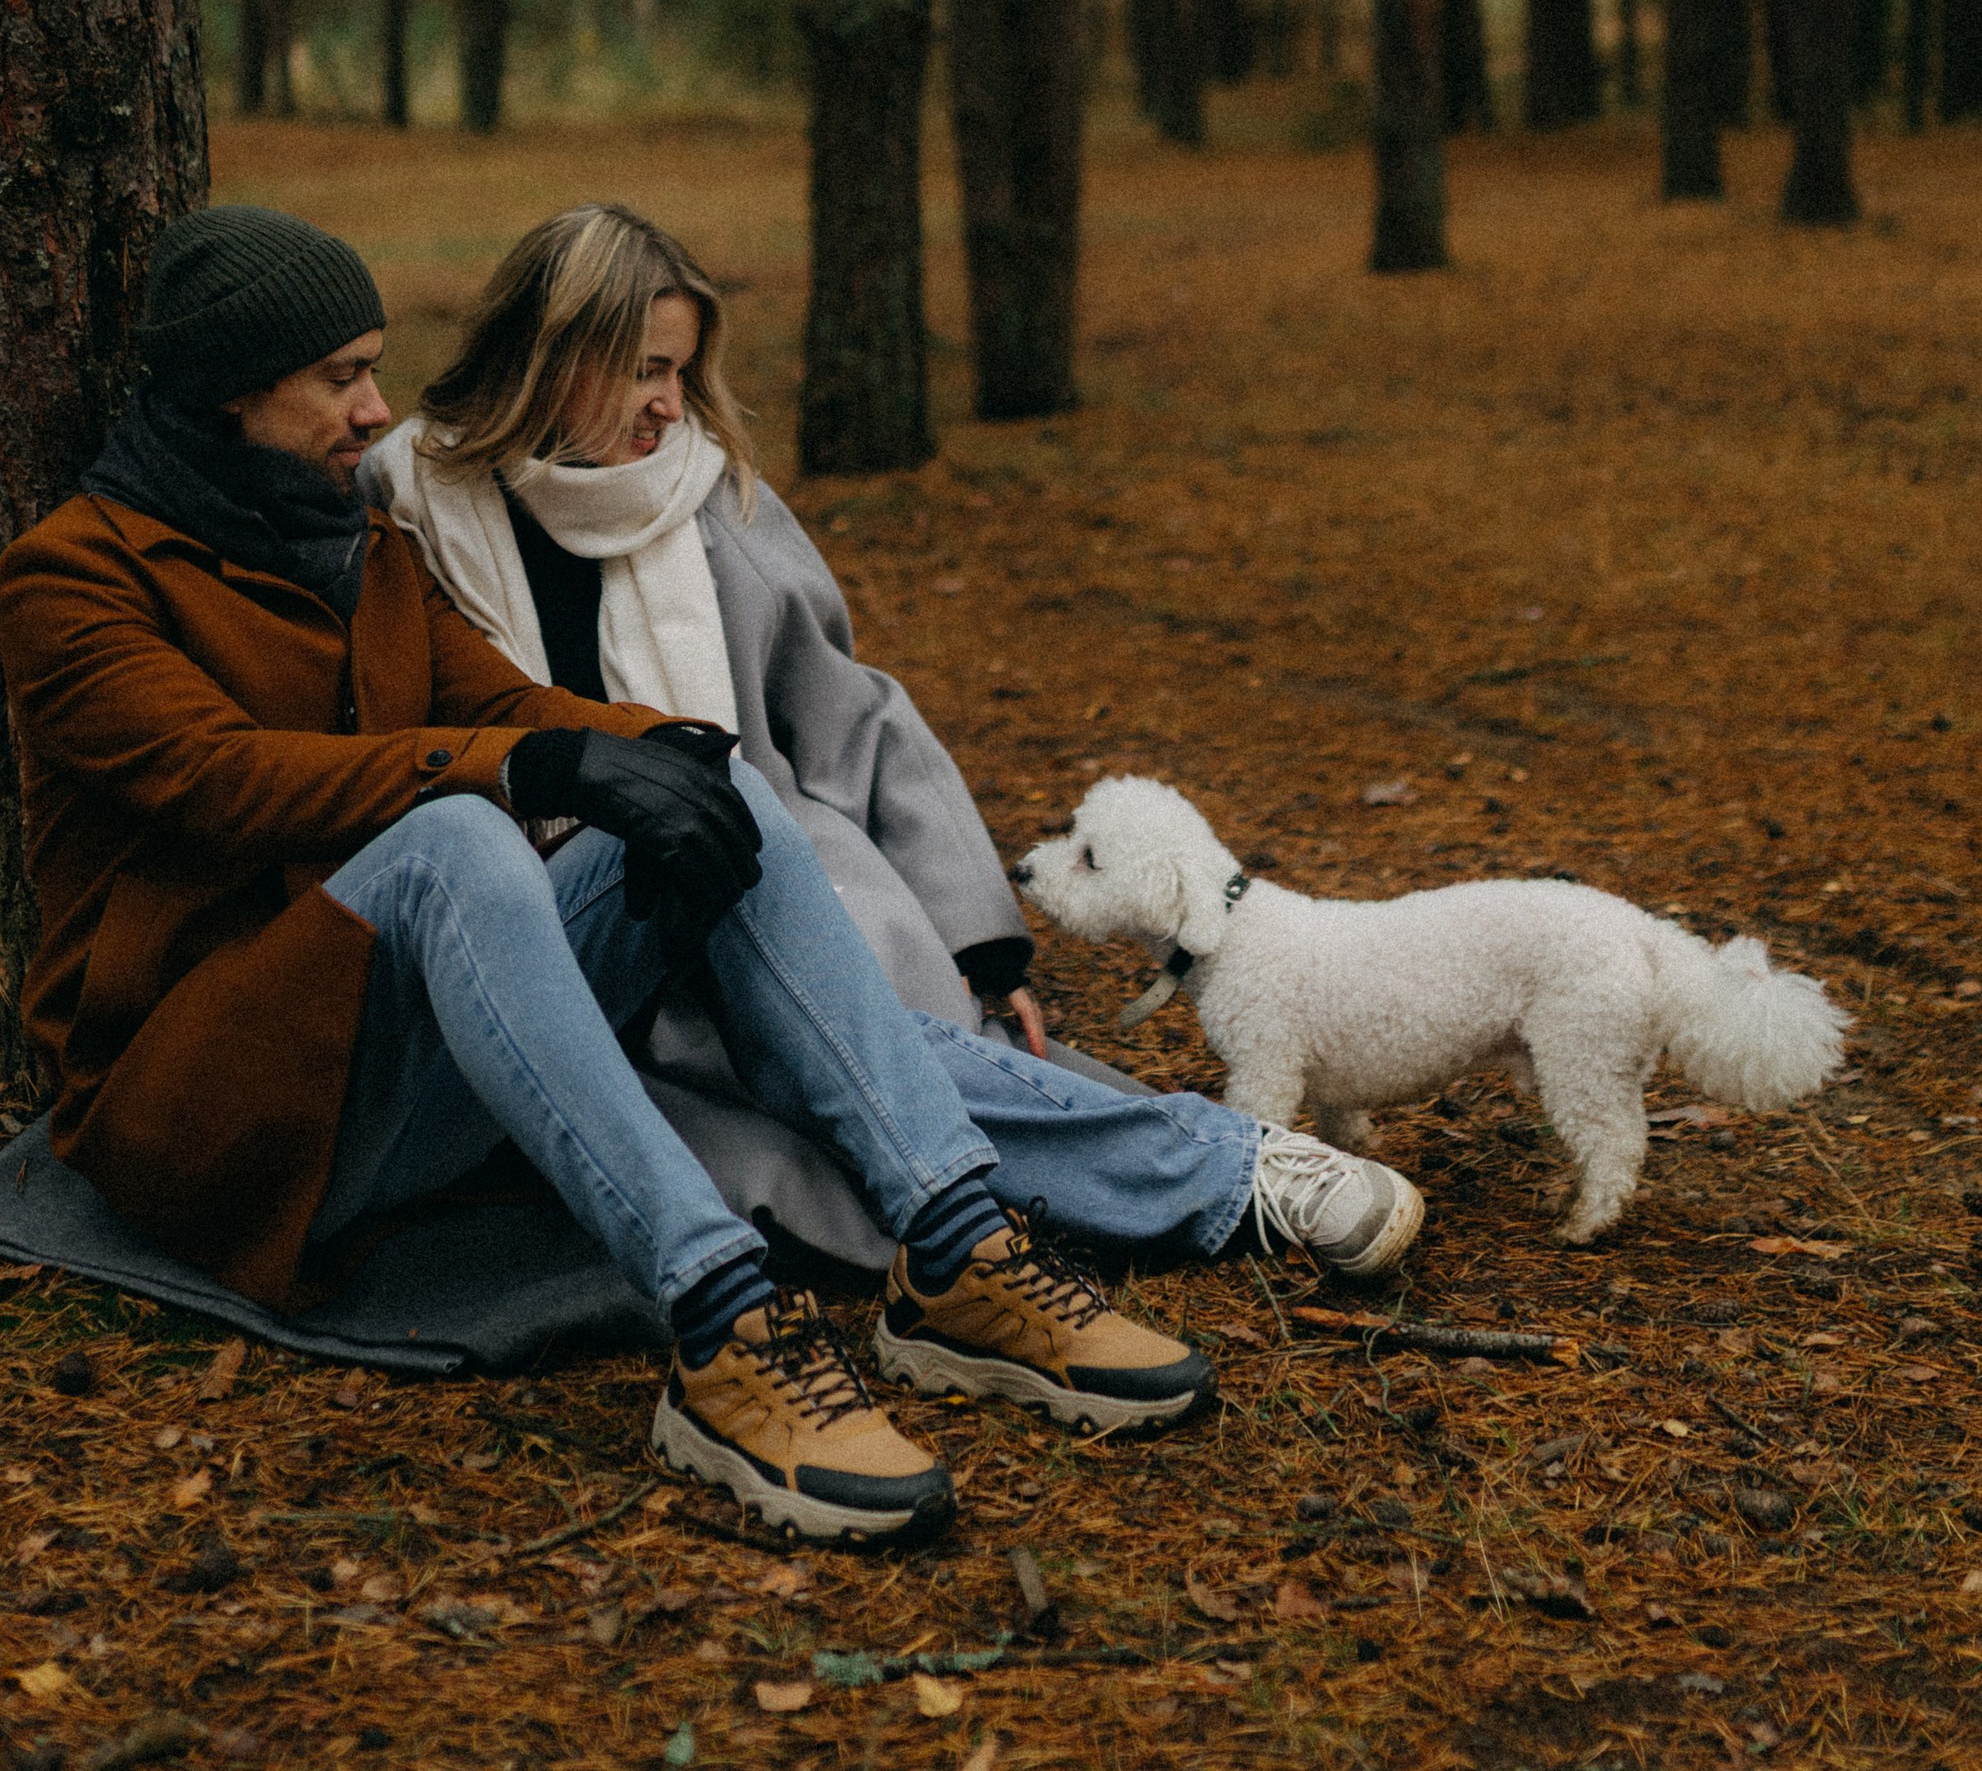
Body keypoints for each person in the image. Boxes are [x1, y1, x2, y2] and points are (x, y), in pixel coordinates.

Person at [0, 204, 1270, 1550]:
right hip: (210, 1110)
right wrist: (533, 775)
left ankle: (953, 1242)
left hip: (387, 1073)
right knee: (461, 835)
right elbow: (224, 778)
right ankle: (720, 1319)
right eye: (339, 378)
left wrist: (666, 756)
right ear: (229, 388)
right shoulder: (72, 576)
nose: (375, 410)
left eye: (372, 371)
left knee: (710, 792)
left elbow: (507, 700)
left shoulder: (356, 548)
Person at [357, 202, 1424, 1283]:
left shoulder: (707, 499)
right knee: (834, 1074)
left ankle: (1230, 1176)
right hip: (554, 926)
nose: (667, 405)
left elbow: (850, 715)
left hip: (754, 881)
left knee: (847, 1037)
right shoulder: (411, 508)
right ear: (553, 357)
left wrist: (978, 941)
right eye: (641, 369)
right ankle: (1223, 1173)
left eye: (680, 372)